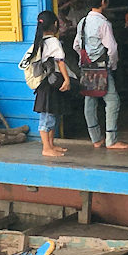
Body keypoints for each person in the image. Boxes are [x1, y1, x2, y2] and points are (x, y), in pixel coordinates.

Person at [73, 0, 128, 150]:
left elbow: (76, 45)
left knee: (89, 101)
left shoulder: (82, 22)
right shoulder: (104, 23)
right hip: (101, 68)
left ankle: (95, 138)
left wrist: (84, 59)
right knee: (112, 101)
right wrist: (113, 64)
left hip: (86, 66)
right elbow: (112, 48)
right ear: (104, 2)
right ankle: (111, 139)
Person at [28, 11, 74, 157]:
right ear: (55, 24)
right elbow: (60, 62)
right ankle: (46, 147)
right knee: (47, 117)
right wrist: (67, 80)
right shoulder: (53, 41)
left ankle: (51, 144)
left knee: (52, 114)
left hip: (45, 84)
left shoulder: (39, 41)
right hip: (49, 85)